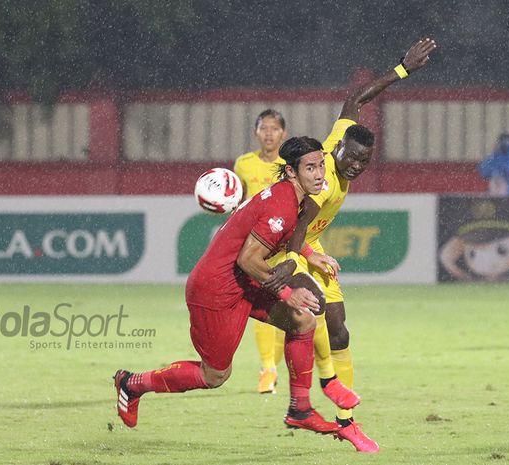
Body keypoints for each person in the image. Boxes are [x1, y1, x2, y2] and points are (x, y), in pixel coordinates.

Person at [114, 137, 362, 435]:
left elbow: (287, 234)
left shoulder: (294, 198)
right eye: (311, 168)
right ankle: (132, 383)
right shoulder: (283, 205)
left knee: (303, 321)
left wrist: (311, 254)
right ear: (292, 172)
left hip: (242, 283)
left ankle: (300, 408)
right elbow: (248, 259)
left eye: (321, 165)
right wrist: (287, 293)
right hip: (215, 289)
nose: (320, 174)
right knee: (215, 375)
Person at [264, 37, 437, 453]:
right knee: (316, 309)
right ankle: (323, 386)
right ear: (336, 150)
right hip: (283, 244)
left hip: (308, 243)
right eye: (352, 160)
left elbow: (355, 98)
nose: (357, 167)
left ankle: (346, 421)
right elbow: (295, 230)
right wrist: (304, 258)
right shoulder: (319, 184)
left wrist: (401, 70)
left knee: (339, 329)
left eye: (364, 162)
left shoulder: (343, 137)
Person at [233, 109, 288, 394]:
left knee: (289, 307)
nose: (268, 133)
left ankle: (272, 367)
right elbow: (238, 201)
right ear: (256, 132)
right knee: (264, 302)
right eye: (264, 128)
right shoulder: (243, 164)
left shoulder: (290, 165)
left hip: (285, 245)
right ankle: (268, 369)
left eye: (274, 128)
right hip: (255, 246)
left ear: (283, 134)